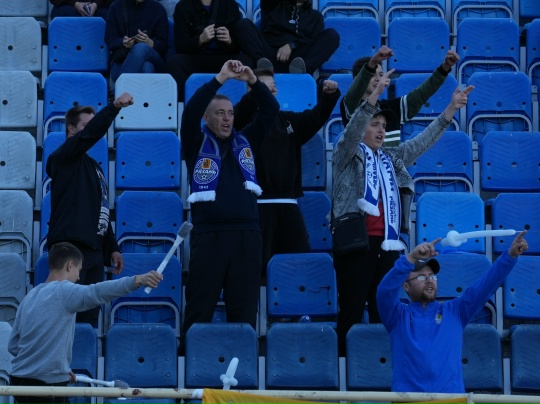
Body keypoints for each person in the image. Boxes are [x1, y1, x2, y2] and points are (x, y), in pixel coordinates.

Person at [331, 67, 474, 356]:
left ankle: (380, 368)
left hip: (388, 245)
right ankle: (345, 370)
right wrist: (375, 94)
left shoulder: (391, 157)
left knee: (385, 312)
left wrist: (450, 110)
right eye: (374, 124)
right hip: (355, 244)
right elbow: (353, 128)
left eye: (384, 125)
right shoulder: (346, 151)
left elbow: (423, 142)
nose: (381, 130)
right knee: (352, 311)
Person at [180, 60, 279, 346]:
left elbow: (270, 109)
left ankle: (241, 369)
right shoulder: (195, 142)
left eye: (231, 113)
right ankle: (191, 368)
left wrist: (253, 81)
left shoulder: (247, 140)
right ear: (207, 118)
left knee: (244, 313)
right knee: (199, 310)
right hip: (209, 236)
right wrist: (221, 77)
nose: (227, 119)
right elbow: (190, 111)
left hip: (247, 236)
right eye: (220, 113)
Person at [9, 242, 163, 404]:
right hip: (46, 386)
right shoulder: (64, 291)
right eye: (79, 270)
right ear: (70, 266)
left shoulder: (29, 296)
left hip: (18, 381)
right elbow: (96, 292)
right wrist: (137, 280)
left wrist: (56, 368)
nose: (78, 277)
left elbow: (13, 345)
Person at [377, 231, 528, 393]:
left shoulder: (455, 311)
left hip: (451, 399)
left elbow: (485, 287)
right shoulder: (397, 316)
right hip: (407, 400)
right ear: (406, 286)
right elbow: (385, 291)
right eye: (421, 277)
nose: (429, 281)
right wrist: (411, 258)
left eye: (432, 276)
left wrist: (509, 256)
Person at [233, 68, 340, 279]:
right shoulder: (242, 121)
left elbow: (316, 117)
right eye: (264, 87)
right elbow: (240, 113)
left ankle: (297, 302)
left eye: (273, 87)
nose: (271, 90)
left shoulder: (289, 121)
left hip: (289, 204)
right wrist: (257, 89)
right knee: (256, 269)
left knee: (298, 265)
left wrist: (329, 96)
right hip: (255, 206)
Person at [46, 92, 135, 326]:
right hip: (69, 248)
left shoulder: (95, 166)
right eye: (87, 125)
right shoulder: (62, 158)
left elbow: (101, 209)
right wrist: (113, 107)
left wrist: (111, 248)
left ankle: (85, 354)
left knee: (88, 321)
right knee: (63, 318)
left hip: (94, 252)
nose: (94, 130)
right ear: (71, 129)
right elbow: (90, 135)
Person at [340, 46, 460, 147]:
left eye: (381, 74)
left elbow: (422, 94)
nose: (378, 78)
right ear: (357, 79)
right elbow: (355, 92)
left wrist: (444, 68)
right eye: (372, 74)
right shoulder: (350, 106)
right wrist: (373, 62)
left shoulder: (390, 109)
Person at [166, 0, 251, 101]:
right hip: (196, 58)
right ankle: (183, 104)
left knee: (246, 61)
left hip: (224, 58)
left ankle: (243, 103)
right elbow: (180, 46)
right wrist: (200, 39)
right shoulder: (183, 6)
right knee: (174, 63)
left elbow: (239, 45)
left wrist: (229, 41)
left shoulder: (230, 5)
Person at [235, 0, 340, 74]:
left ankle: (303, 72)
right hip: (268, 55)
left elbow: (313, 41)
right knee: (244, 24)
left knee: (332, 35)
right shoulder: (272, 5)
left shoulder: (316, 16)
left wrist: (291, 45)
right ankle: (261, 65)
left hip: (298, 60)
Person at [105, 0, 169, 85]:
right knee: (147, 67)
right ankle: (127, 89)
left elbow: (164, 45)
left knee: (141, 47)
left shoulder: (158, 9)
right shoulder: (116, 7)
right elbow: (110, 40)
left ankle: (122, 88)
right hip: (122, 59)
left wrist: (151, 43)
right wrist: (123, 42)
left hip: (154, 58)